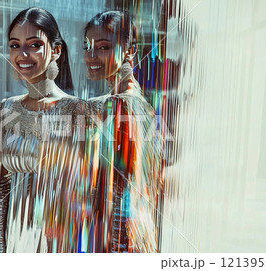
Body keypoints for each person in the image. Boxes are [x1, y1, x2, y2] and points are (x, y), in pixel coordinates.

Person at [0, 7, 90, 253]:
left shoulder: (75, 110)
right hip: (12, 237)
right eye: (15, 45)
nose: (22, 53)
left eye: (34, 44)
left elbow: (85, 192)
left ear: (56, 51)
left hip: (55, 240)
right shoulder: (7, 109)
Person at [83, 10, 163, 252]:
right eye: (87, 46)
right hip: (132, 232)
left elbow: (119, 188)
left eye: (104, 47)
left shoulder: (120, 104)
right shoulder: (134, 98)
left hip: (118, 238)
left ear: (130, 51)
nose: (91, 56)